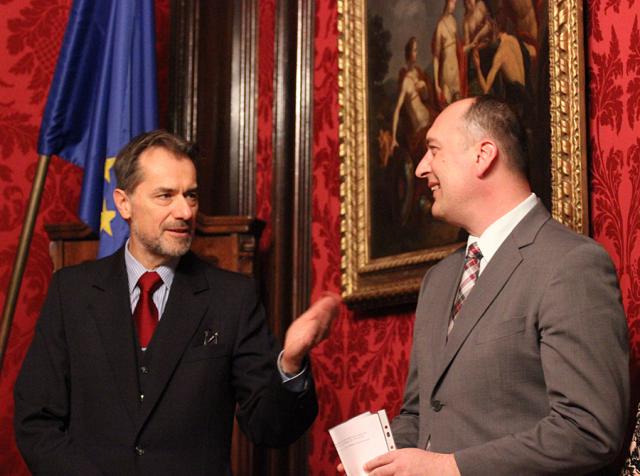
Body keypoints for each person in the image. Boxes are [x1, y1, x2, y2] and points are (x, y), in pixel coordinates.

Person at [14, 130, 341, 475]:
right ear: (123, 203)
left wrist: (290, 363)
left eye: (192, 196)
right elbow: (36, 422)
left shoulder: (232, 298)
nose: (185, 211)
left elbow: (270, 427)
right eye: (165, 196)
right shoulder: (72, 292)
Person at [363, 96, 629, 475]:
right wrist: (375, 460)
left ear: (483, 155)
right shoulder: (437, 281)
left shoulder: (570, 265)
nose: (421, 168)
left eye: (433, 151)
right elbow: (420, 414)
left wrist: (450, 468)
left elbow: (587, 430)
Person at [433, 0, 462, 106]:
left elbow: (460, 49)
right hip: (446, 72)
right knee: (448, 106)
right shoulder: (440, 26)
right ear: (447, 3)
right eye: (453, 3)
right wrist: (436, 84)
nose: (454, 6)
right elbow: (436, 57)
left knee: (458, 104)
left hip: (456, 71)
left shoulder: (453, 21)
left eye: (455, 3)